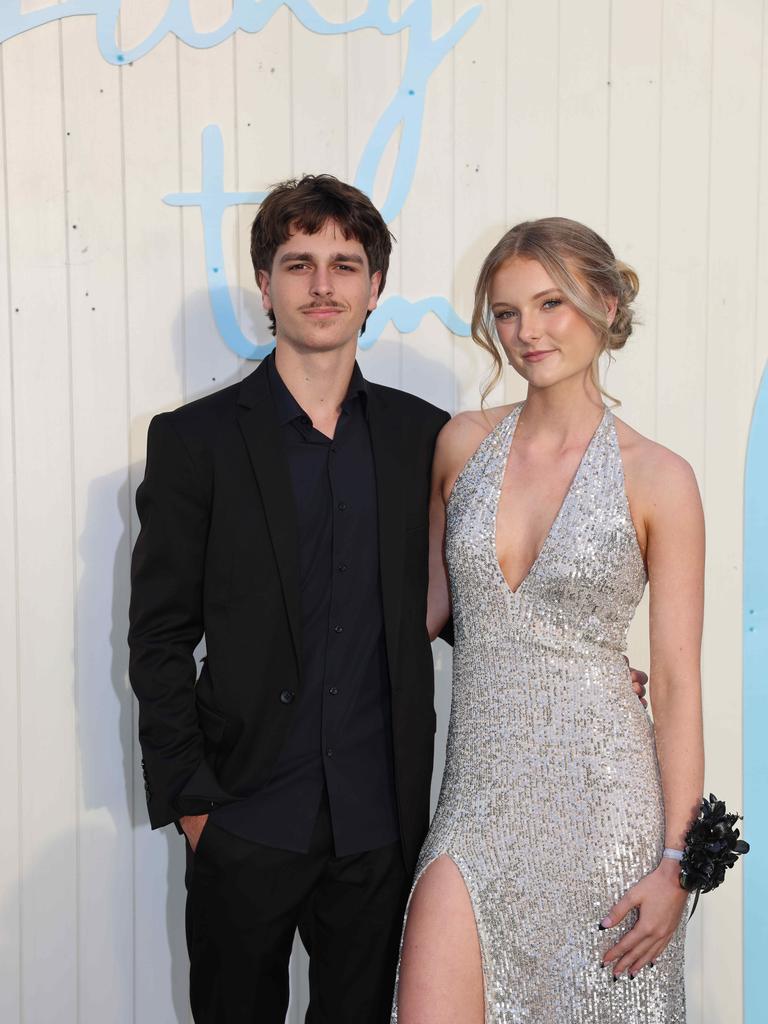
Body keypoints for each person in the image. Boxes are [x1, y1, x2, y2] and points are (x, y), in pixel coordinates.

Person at [128, 180, 648, 1024]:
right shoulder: (195, 441)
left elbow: (461, 593)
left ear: (375, 287)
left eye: (345, 264)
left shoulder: (426, 437)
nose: (322, 285)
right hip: (244, 816)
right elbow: (157, 638)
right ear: (266, 284)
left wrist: (576, 664)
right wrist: (194, 805)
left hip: (382, 824)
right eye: (298, 264)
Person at [393, 218, 704, 1024]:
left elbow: (674, 683)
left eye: (550, 304)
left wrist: (677, 863)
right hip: (475, 807)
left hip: (606, 813)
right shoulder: (462, 444)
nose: (527, 332)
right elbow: (420, 614)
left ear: (603, 304)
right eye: (505, 313)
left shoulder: (660, 478)